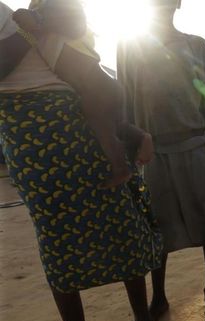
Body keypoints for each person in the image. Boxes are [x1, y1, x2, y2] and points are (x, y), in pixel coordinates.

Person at [0, 1, 179, 321]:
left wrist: (130, 134)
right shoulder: (30, 25)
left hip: (87, 140)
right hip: (35, 152)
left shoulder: (20, 21)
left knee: (125, 231)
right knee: (58, 245)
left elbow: (94, 88)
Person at [117, 0, 205, 321]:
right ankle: (159, 295)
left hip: (194, 143)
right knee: (158, 228)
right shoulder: (129, 46)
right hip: (151, 151)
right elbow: (124, 102)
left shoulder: (195, 45)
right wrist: (127, 152)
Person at [12, 0, 146, 187]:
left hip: (99, 87)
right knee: (110, 127)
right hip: (100, 88)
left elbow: (75, 25)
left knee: (102, 126)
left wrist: (39, 20)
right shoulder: (38, 7)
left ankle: (121, 167)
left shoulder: (59, 10)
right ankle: (139, 140)